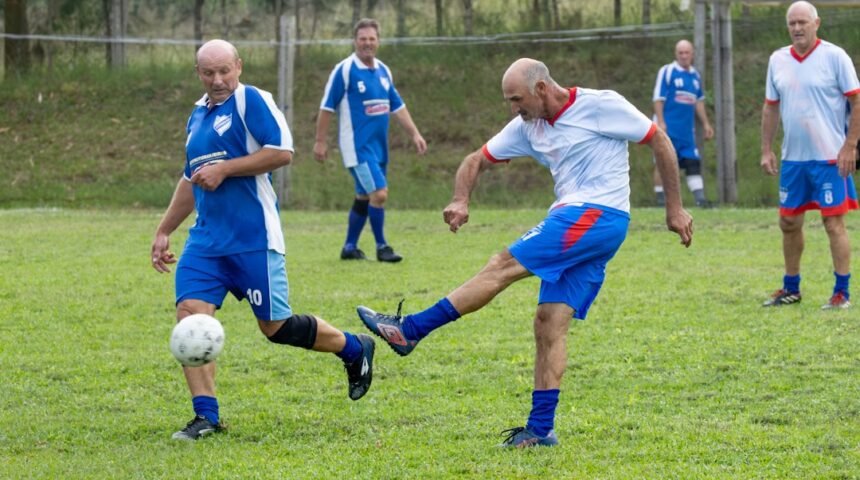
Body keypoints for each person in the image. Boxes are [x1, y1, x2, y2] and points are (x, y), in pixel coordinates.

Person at [357, 58, 694, 448]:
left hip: (595, 215)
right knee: (548, 322)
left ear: (541, 88)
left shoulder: (601, 105)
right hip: (588, 224)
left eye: (516, 99)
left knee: (501, 265)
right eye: (508, 101)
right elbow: (475, 160)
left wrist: (674, 208)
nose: (512, 108)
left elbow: (660, 140)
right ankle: (540, 429)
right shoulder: (527, 126)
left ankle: (410, 330)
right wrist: (460, 199)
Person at [151, 39, 375, 441]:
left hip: (254, 238)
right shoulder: (196, 117)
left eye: (224, 71)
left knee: (276, 328)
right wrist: (165, 229)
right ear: (197, 74)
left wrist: (227, 169)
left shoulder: (251, 101)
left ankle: (354, 349)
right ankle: (206, 416)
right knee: (191, 319)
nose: (218, 80)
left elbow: (282, 151)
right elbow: (190, 178)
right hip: (205, 243)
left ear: (238, 66)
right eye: (208, 73)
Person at [760, 1, 859, 309]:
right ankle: (791, 288)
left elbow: (857, 102)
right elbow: (770, 107)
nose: (797, 28)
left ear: (817, 23)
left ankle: (841, 292)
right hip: (794, 160)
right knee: (788, 222)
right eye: (792, 23)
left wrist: (850, 146)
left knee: (833, 224)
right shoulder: (777, 60)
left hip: (830, 158)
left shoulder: (835, 57)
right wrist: (766, 149)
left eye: (803, 22)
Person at [314, 18, 428, 263]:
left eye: (372, 39)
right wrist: (320, 141)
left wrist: (415, 134)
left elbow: (397, 106)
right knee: (380, 193)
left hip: (378, 148)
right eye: (363, 39)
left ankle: (349, 247)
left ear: (378, 41)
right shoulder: (344, 70)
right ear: (355, 41)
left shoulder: (383, 71)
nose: (367, 43)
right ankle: (382, 247)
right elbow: (326, 108)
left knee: (364, 196)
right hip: (357, 147)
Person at [652, 39, 715, 208]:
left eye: (687, 52)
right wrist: (661, 122)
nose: (684, 56)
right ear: (676, 54)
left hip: (687, 132)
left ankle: (701, 200)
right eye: (681, 53)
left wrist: (706, 124)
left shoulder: (695, 76)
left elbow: (698, 102)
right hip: (668, 128)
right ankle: (660, 200)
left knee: (692, 162)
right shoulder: (667, 71)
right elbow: (658, 98)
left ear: (692, 54)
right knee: (663, 162)